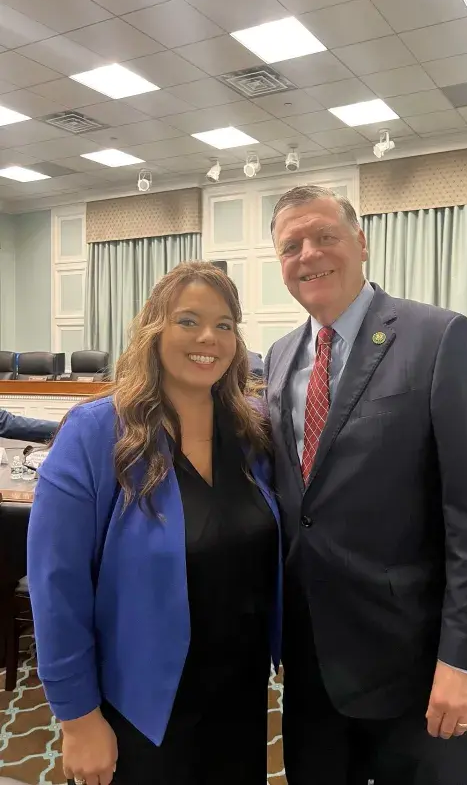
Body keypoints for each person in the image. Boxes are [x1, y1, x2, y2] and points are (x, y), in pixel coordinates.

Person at [264, 185, 467, 785]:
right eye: (291, 245)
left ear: (362, 242)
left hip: (414, 662)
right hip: (313, 658)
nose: (309, 254)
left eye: (325, 236)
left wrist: (465, 659)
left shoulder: (436, 336)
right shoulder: (278, 355)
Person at [27, 261, 282, 785]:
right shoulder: (97, 433)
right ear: (153, 329)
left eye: (224, 324)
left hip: (240, 692)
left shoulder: (252, 432)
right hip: (142, 706)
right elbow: (58, 586)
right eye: (187, 320)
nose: (207, 337)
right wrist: (77, 719)